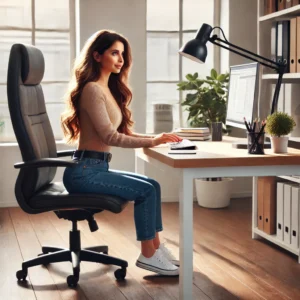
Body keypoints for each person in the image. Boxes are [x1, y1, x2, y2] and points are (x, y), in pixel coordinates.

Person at [61, 30, 183, 276]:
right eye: (114, 53)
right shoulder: (92, 89)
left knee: (152, 185)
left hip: (95, 168)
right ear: (97, 55)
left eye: (122, 54)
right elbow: (110, 137)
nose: (120, 59)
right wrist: (150, 140)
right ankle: (148, 255)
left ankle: (155, 248)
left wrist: (155, 139)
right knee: (146, 191)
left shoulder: (107, 89)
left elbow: (122, 131)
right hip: (84, 173)